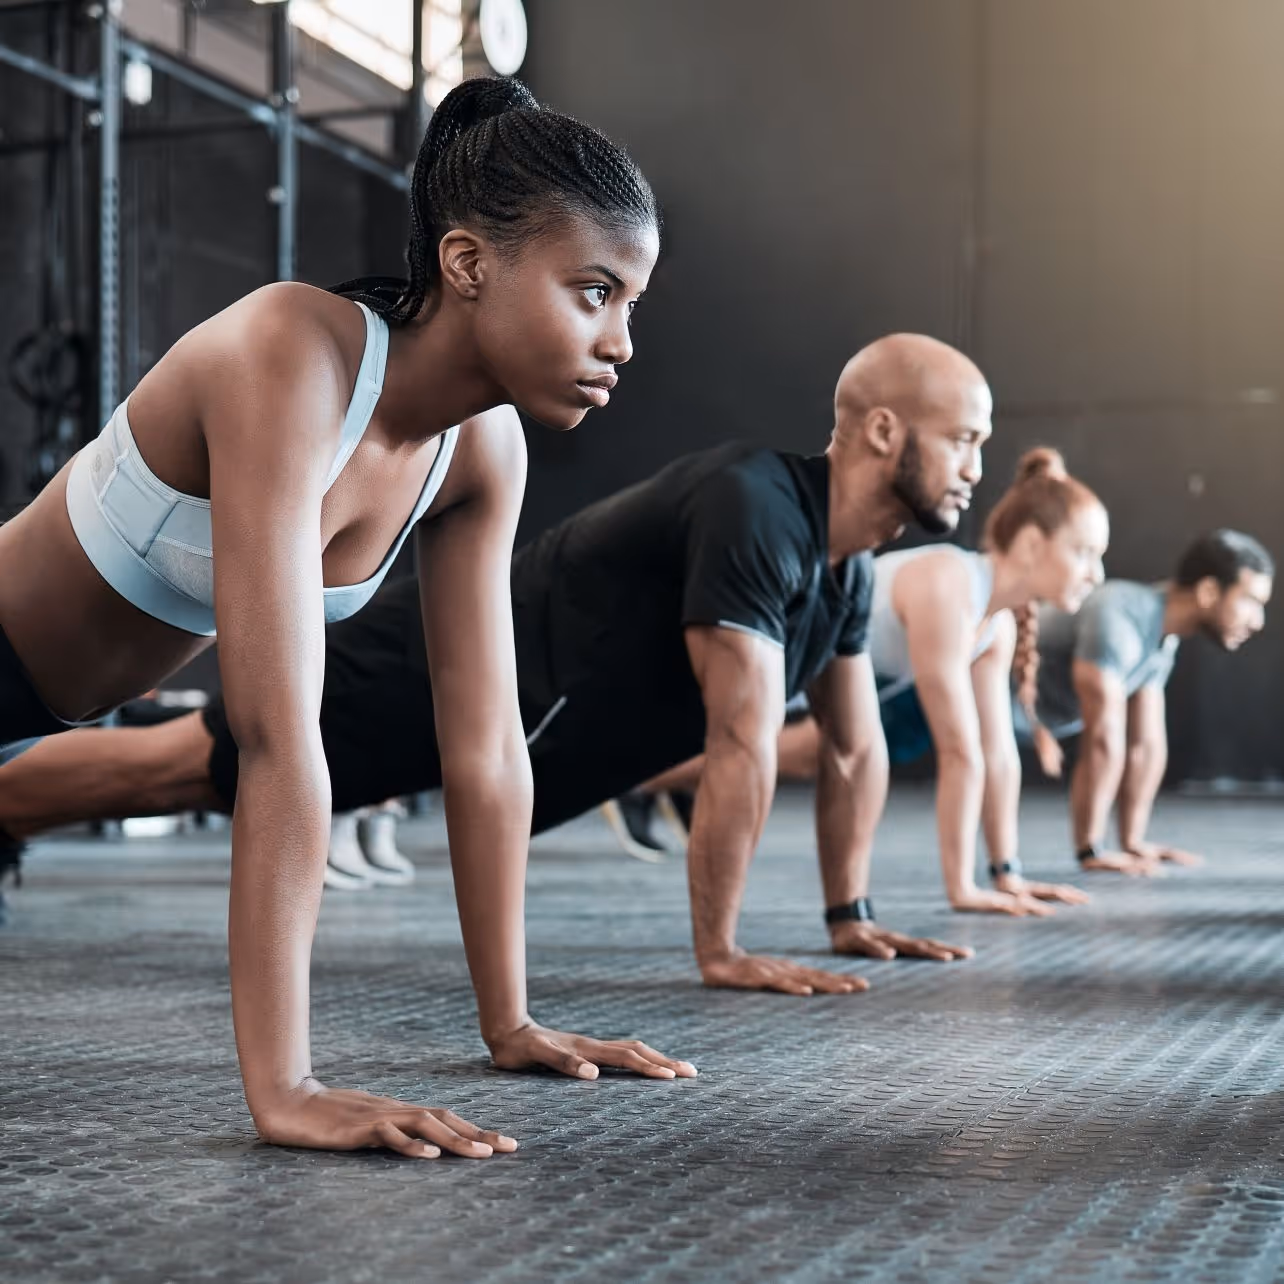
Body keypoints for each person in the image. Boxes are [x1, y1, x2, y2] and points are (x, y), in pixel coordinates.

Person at [0, 75, 693, 1160]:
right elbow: (278, 738)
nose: (622, 343)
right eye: (594, 292)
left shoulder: (480, 452)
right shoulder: (291, 354)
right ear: (469, 264)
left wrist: (508, 1022)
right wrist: (288, 1087)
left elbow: (486, 748)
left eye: (632, 305)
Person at [0, 333, 992, 994]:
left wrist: (849, 915)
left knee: (185, 774)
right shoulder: (757, 510)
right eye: (963, 440)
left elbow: (854, 754)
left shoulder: (849, 571)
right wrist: (721, 953)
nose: (975, 467)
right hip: (434, 670)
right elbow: (740, 743)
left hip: (521, 728)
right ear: (881, 430)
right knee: (181, 770)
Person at [631, 449, 1107, 920]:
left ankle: (656, 782)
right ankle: (638, 781)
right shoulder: (949, 584)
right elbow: (959, 751)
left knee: (804, 754)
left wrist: (1008, 873)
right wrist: (962, 888)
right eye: (1084, 552)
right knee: (790, 751)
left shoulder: (996, 626)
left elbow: (997, 753)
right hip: (740, 648)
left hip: (812, 677)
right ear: (1029, 544)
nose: (1096, 573)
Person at [1025, 529, 1273, 875]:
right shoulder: (1120, 616)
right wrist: (1090, 851)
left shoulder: (1161, 636)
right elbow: (1102, 740)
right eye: (1250, 601)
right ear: (1208, 591)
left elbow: (1146, 745)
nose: (1257, 621)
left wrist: (1132, 843)